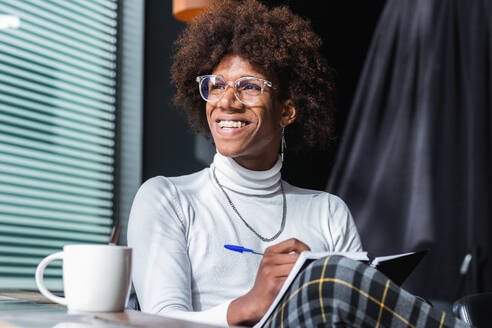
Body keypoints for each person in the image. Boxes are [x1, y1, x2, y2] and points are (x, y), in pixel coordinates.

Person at [127, 1, 471, 327]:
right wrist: (248, 304)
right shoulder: (168, 198)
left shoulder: (327, 211)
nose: (226, 102)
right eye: (215, 86)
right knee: (330, 281)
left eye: (248, 87)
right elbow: (159, 322)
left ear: (287, 111)